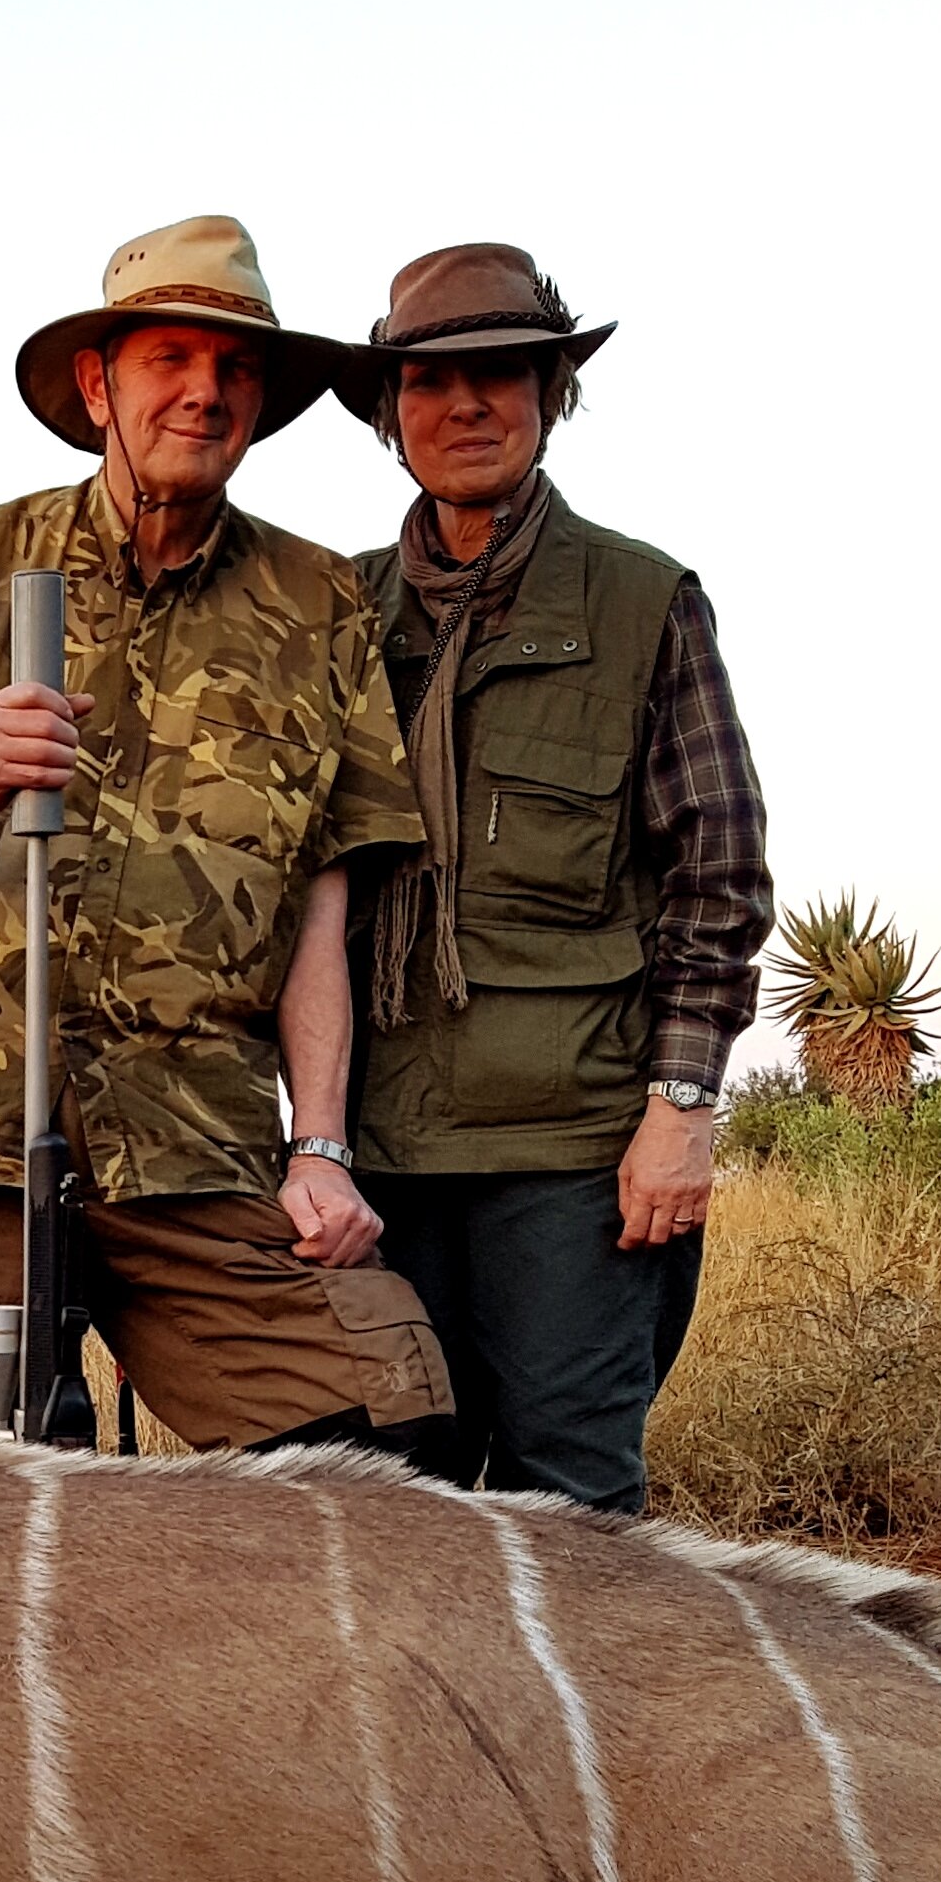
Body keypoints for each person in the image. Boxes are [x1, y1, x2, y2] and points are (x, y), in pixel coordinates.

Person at [0, 218, 450, 1452]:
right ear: (99, 385)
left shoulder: (319, 602)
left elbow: (320, 907)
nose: (205, 392)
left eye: (236, 369)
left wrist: (320, 1147)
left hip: (188, 1139)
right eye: (169, 360)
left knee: (374, 1425)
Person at [335, 244, 772, 1514]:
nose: (465, 406)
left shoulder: (646, 600)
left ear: (549, 394)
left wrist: (681, 1112)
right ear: (390, 413)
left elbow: (719, 869)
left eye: (502, 375)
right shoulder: (333, 615)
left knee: (572, 1500)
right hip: (373, 1155)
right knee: (382, 1504)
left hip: (575, 1154)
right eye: (429, 382)